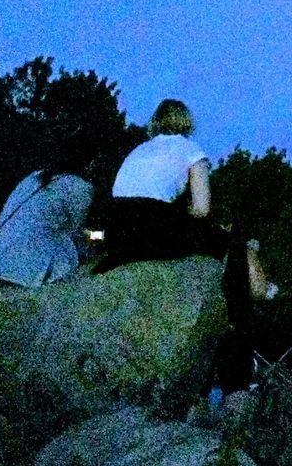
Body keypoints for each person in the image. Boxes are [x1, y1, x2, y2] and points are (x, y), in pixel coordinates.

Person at [96, 99, 225, 271]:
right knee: (222, 239)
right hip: (150, 224)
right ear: (187, 120)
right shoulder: (192, 150)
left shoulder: (140, 149)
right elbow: (202, 209)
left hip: (114, 228)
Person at [0, 142, 94, 287]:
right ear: (90, 163)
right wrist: (100, 235)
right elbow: (77, 232)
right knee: (84, 243)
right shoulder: (79, 187)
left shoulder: (34, 177)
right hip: (29, 264)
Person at [216, 236, 279, 396]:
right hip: (241, 320)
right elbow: (259, 290)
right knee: (240, 343)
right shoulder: (246, 257)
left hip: (220, 317)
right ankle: (240, 386)